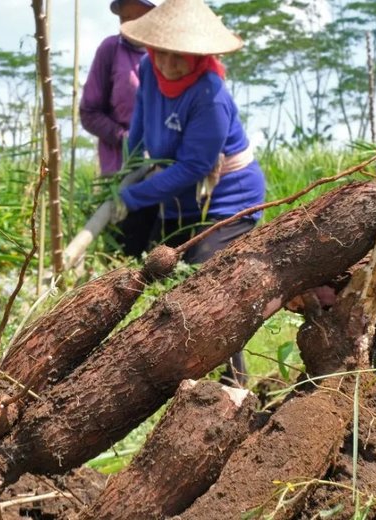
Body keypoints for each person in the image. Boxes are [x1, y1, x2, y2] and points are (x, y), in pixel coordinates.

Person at [116, 0, 267, 387]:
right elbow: (140, 123)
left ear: (200, 54)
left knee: (206, 280)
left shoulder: (209, 95)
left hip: (227, 199)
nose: (169, 63)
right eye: (161, 52)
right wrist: (128, 170)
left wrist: (133, 198)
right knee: (150, 262)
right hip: (181, 196)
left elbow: (194, 167)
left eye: (180, 56)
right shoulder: (149, 68)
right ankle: (158, 366)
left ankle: (233, 382)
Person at [80, 0, 159, 258]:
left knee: (159, 246)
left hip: (165, 169)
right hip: (120, 169)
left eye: (138, 17)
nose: (130, 25)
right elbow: (89, 112)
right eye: (124, 18)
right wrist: (125, 139)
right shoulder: (111, 50)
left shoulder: (168, 53)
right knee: (123, 250)